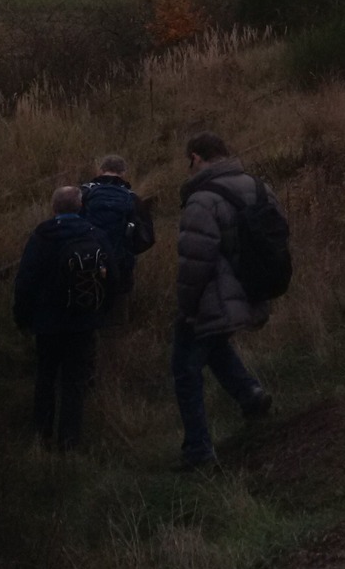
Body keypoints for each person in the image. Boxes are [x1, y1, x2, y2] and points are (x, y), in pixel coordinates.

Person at [173, 131, 279, 471]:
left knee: (185, 367)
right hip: (251, 289)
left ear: (195, 157)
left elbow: (195, 261)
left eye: (189, 161)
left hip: (212, 298)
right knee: (215, 344)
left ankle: (199, 451)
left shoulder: (201, 200)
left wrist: (187, 306)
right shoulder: (259, 186)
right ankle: (250, 395)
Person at [13, 186, 120, 450]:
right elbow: (113, 278)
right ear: (81, 207)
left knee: (46, 377)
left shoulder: (42, 236)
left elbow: (25, 281)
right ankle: (69, 441)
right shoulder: (95, 234)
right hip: (83, 320)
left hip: (47, 321)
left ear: (53, 208)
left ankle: (42, 435)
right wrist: (101, 312)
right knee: (74, 381)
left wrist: (23, 317)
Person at [81, 154, 155, 322]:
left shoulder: (84, 193)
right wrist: (128, 249)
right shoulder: (132, 198)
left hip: (85, 262)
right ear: (123, 173)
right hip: (121, 265)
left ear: (100, 170)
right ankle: (118, 332)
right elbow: (147, 237)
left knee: (86, 310)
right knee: (118, 313)